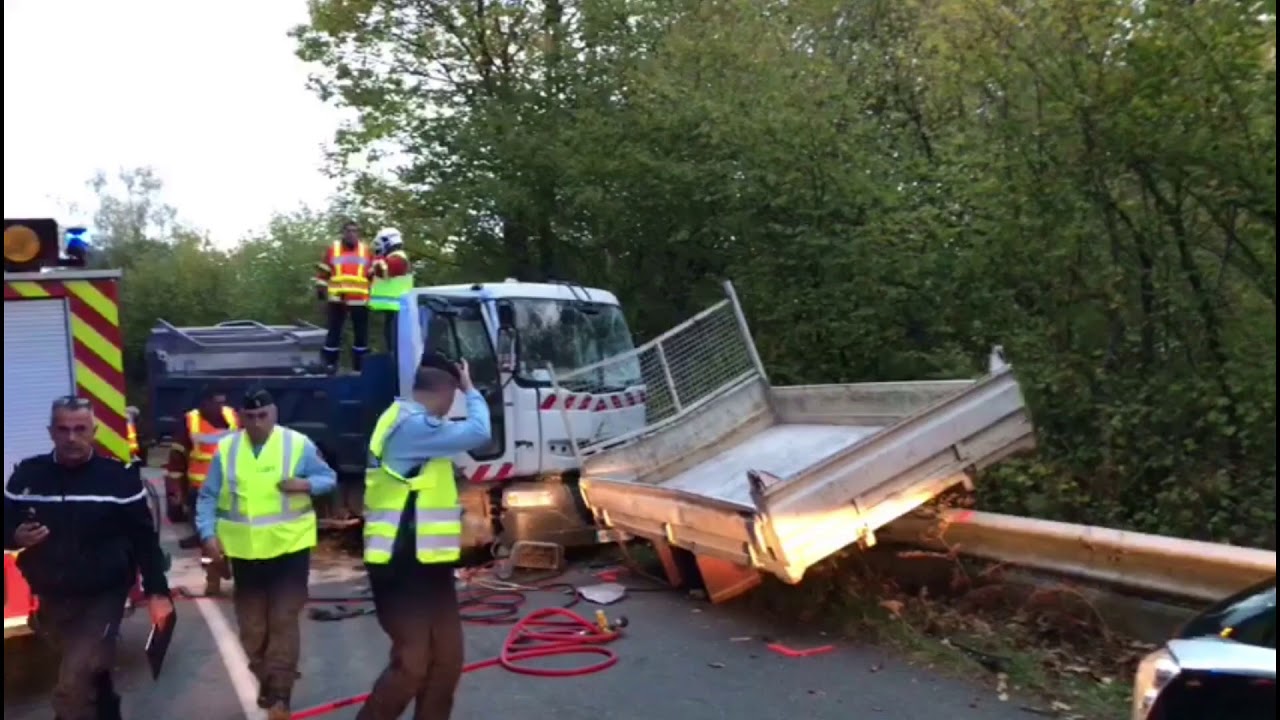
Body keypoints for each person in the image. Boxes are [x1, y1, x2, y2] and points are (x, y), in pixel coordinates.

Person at [3, 395, 173, 720]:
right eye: (63, 429)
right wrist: (13, 537)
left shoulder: (117, 479)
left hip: (103, 595)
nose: (72, 438)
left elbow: (144, 541)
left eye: (80, 429)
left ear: (94, 431)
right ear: (50, 432)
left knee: (74, 683)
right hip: (51, 597)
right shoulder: (28, 475)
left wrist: (157, 592)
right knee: (92, 677)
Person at [356, 361, 491, 720]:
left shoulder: (413, 423)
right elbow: (479, 431)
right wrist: (472, 389)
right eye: (456, 395)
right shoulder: (412, 426)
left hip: (429, 564)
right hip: (400, 566)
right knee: (413, 664)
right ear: (447, 392)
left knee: (447, 660)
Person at [195, 387, 337, 720]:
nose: (257, 423)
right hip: (245, 556)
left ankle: (280, 696)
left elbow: (327, 477)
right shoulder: (227, 450)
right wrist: (208, 534)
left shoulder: (296, 444)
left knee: (284, 622)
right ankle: (267, 678)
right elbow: (207, 497)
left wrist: (306, 485)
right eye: (251, 417)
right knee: (253, 631)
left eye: (264, 415)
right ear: (241, 417)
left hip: (289, 550)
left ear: (274, 413)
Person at [166, 386, 240, 594]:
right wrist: (176, 492)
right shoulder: (190, 422)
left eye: (222, 401)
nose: (219, 406)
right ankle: (213, 578)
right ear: (203, 403)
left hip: (232, 489)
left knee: (234, 535)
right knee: (207, 539)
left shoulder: (233, 418)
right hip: (200, 492)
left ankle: (233, 572)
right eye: (214, 402)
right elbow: (177, 459)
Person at [315, 220, 373, 372]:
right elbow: (324, 271)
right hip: (337, 298)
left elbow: (371, 274)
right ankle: (329, 364)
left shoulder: (366, 251)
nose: (352, 234)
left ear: (358, 233)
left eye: (355, 231)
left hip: (360, 299)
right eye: (348, 231)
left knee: (361, 335)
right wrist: (321, 288)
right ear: (343, 233)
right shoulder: (333, 250)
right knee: (334, 332)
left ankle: (360, 366)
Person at [369, 226, 414, 352]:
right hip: (393, 308)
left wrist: (375, 261)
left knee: (395, 343)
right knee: (391, 340)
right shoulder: (394, 257)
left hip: (398, 308)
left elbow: (383, 271)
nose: (378, 248)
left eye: (380, 244)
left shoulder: (398, 258)